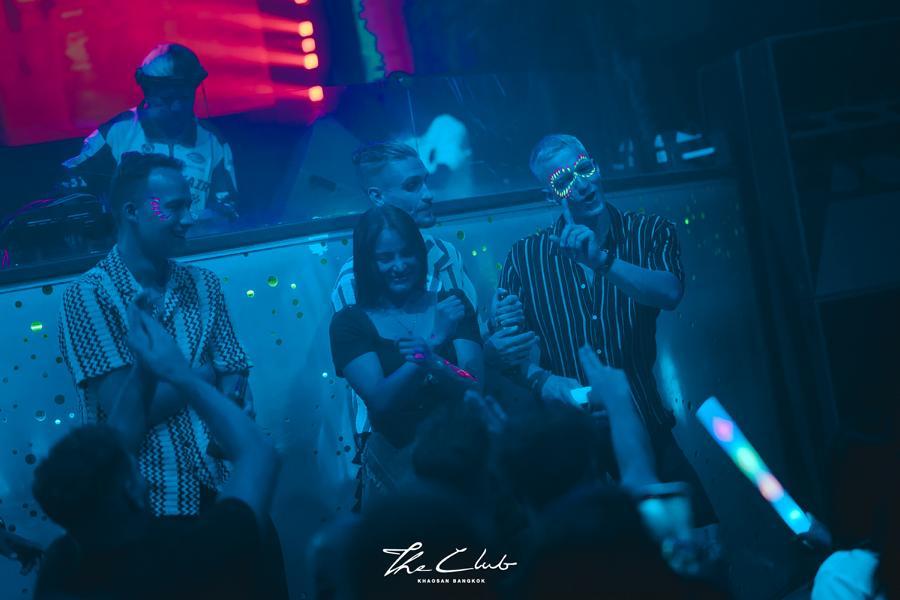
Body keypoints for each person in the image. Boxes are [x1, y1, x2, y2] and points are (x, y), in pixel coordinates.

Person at [496, 133, 716, 525]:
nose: (582, 185)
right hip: (569, 443)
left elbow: (669, 292)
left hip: (643, 420)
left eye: (584, 168)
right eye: (565, 181)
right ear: (550, 196)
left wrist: (602, 261)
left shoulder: (649, 231)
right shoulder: (526, 256)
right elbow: (504, 348)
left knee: (697, 537)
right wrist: (541, 379)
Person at [33, 301, 281, 599]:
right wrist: (182, 375)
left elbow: (118, 436)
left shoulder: (60, 567)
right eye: (134, 466)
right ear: (132, 490)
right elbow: (258, 453)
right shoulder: (197, 552)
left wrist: (143, 369)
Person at [58, 152, 253, 518]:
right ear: (132, 211)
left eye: (189, 205)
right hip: (149, 505)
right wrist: (205, 375)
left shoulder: (204, 284)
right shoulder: (89, 295)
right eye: (175, 207)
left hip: (225, 487)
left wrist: (231, 391)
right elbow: (127, 419)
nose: (189, 219)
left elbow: (236, 373)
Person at [330, 205, 484, 505]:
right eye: (386, 258)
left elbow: (474, 384)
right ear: (367, 262)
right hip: (400, 471)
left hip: (466, 459)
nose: (399, 266)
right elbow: (380, 400)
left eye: (407, 253)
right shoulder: (350, 322)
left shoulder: (451, 304)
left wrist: (434, 362)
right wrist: (433, 342)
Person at [60, 43, 239, 229]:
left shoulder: (213, 140)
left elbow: (228, 210)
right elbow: (71, 183)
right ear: (147, 92)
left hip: (195, 243)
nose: (177, 107)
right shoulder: (118, 132)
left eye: (185, 98)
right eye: (167, 99)